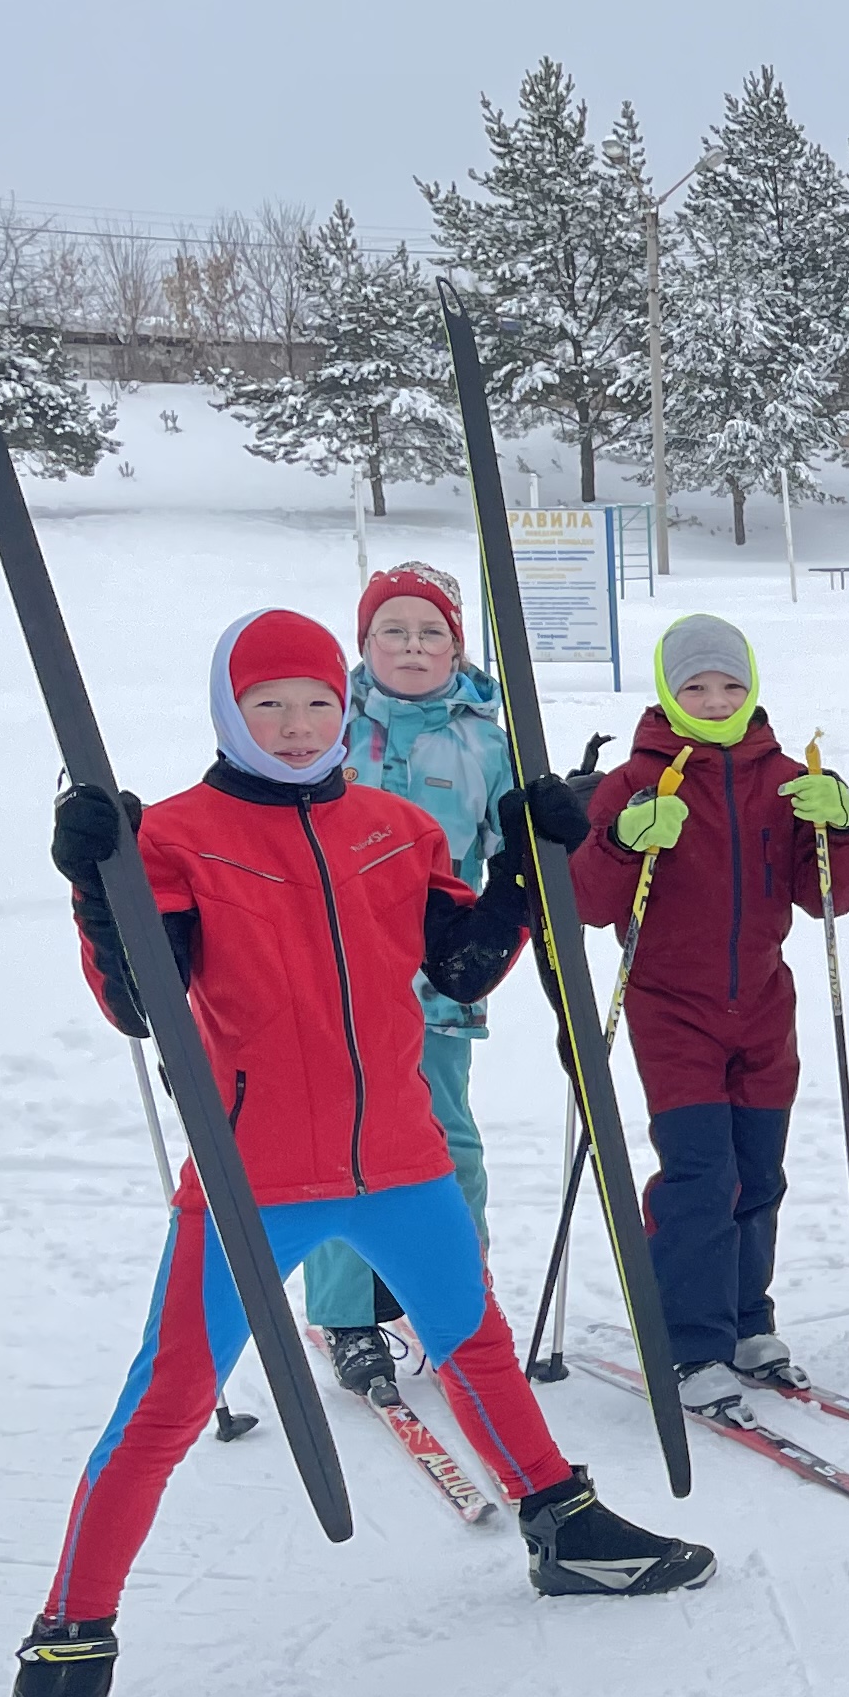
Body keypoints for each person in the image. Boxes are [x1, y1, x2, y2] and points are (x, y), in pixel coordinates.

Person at [2, 609, 713, 1697]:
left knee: (476, 1343)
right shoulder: (170, 834)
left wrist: (529, 861)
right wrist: (96, 883)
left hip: (398, 1155)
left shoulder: (392, 827)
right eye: (268, 705)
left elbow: (461, 968)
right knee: (165, 1404)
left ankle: (564, 1527)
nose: (295, 726)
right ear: (232, 712)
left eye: (315, 704)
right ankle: (67, 1649)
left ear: (344, 711)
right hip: (249, 1175)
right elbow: (142, 1001)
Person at [569, 615, 849, 1412]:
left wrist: (841, 825)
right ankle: (689, 1342)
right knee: (701, 1176)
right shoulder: (639, 778)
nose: (714, 700)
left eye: (729, 685)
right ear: (669, 692)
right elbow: (588, 903)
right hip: (670, 1007)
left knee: (758, 1173)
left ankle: (746, 1321)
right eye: (696, 687)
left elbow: (827, 897)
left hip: (765, 1005)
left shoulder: (786, 777)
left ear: (753, 688)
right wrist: (623, 838)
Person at [303, 564, 519, 1402]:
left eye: (431, 632)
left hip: (437, 979)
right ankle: (348, 1315)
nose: (413, 646)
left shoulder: (487, 741)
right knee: (337, 1149)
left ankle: (454, 1299)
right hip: (327, 983)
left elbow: (514, 852)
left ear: (456, 645)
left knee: (447, 1143)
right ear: (364, 644)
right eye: (393, 630)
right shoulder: (324, 726)